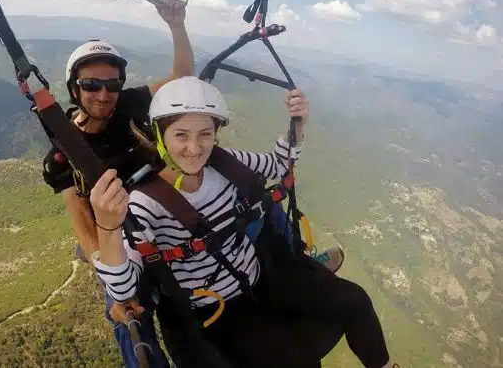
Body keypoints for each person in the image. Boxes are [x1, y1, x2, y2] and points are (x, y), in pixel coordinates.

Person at [89, 76, 396, 368]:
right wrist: (107, 227)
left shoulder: (224, 164)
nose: (194, 148)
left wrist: (298, 126)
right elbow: (123, 288)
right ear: (160, 136)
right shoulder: (146, 202)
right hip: (216, 310)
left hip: (262, 277)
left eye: (205, 134)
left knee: (355, 301)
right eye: (181, 134)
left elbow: (277, 164)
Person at [41, 0, 194, 368]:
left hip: (165, 213)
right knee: (129, 317)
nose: (103, 94)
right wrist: (111, 275)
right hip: (119, 238)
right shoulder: (65, 154)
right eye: (91, 85)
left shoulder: (129, 103)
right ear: (75, 88)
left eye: (111, 84)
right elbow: (81, 219)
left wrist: (177, 26)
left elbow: (181, 77)